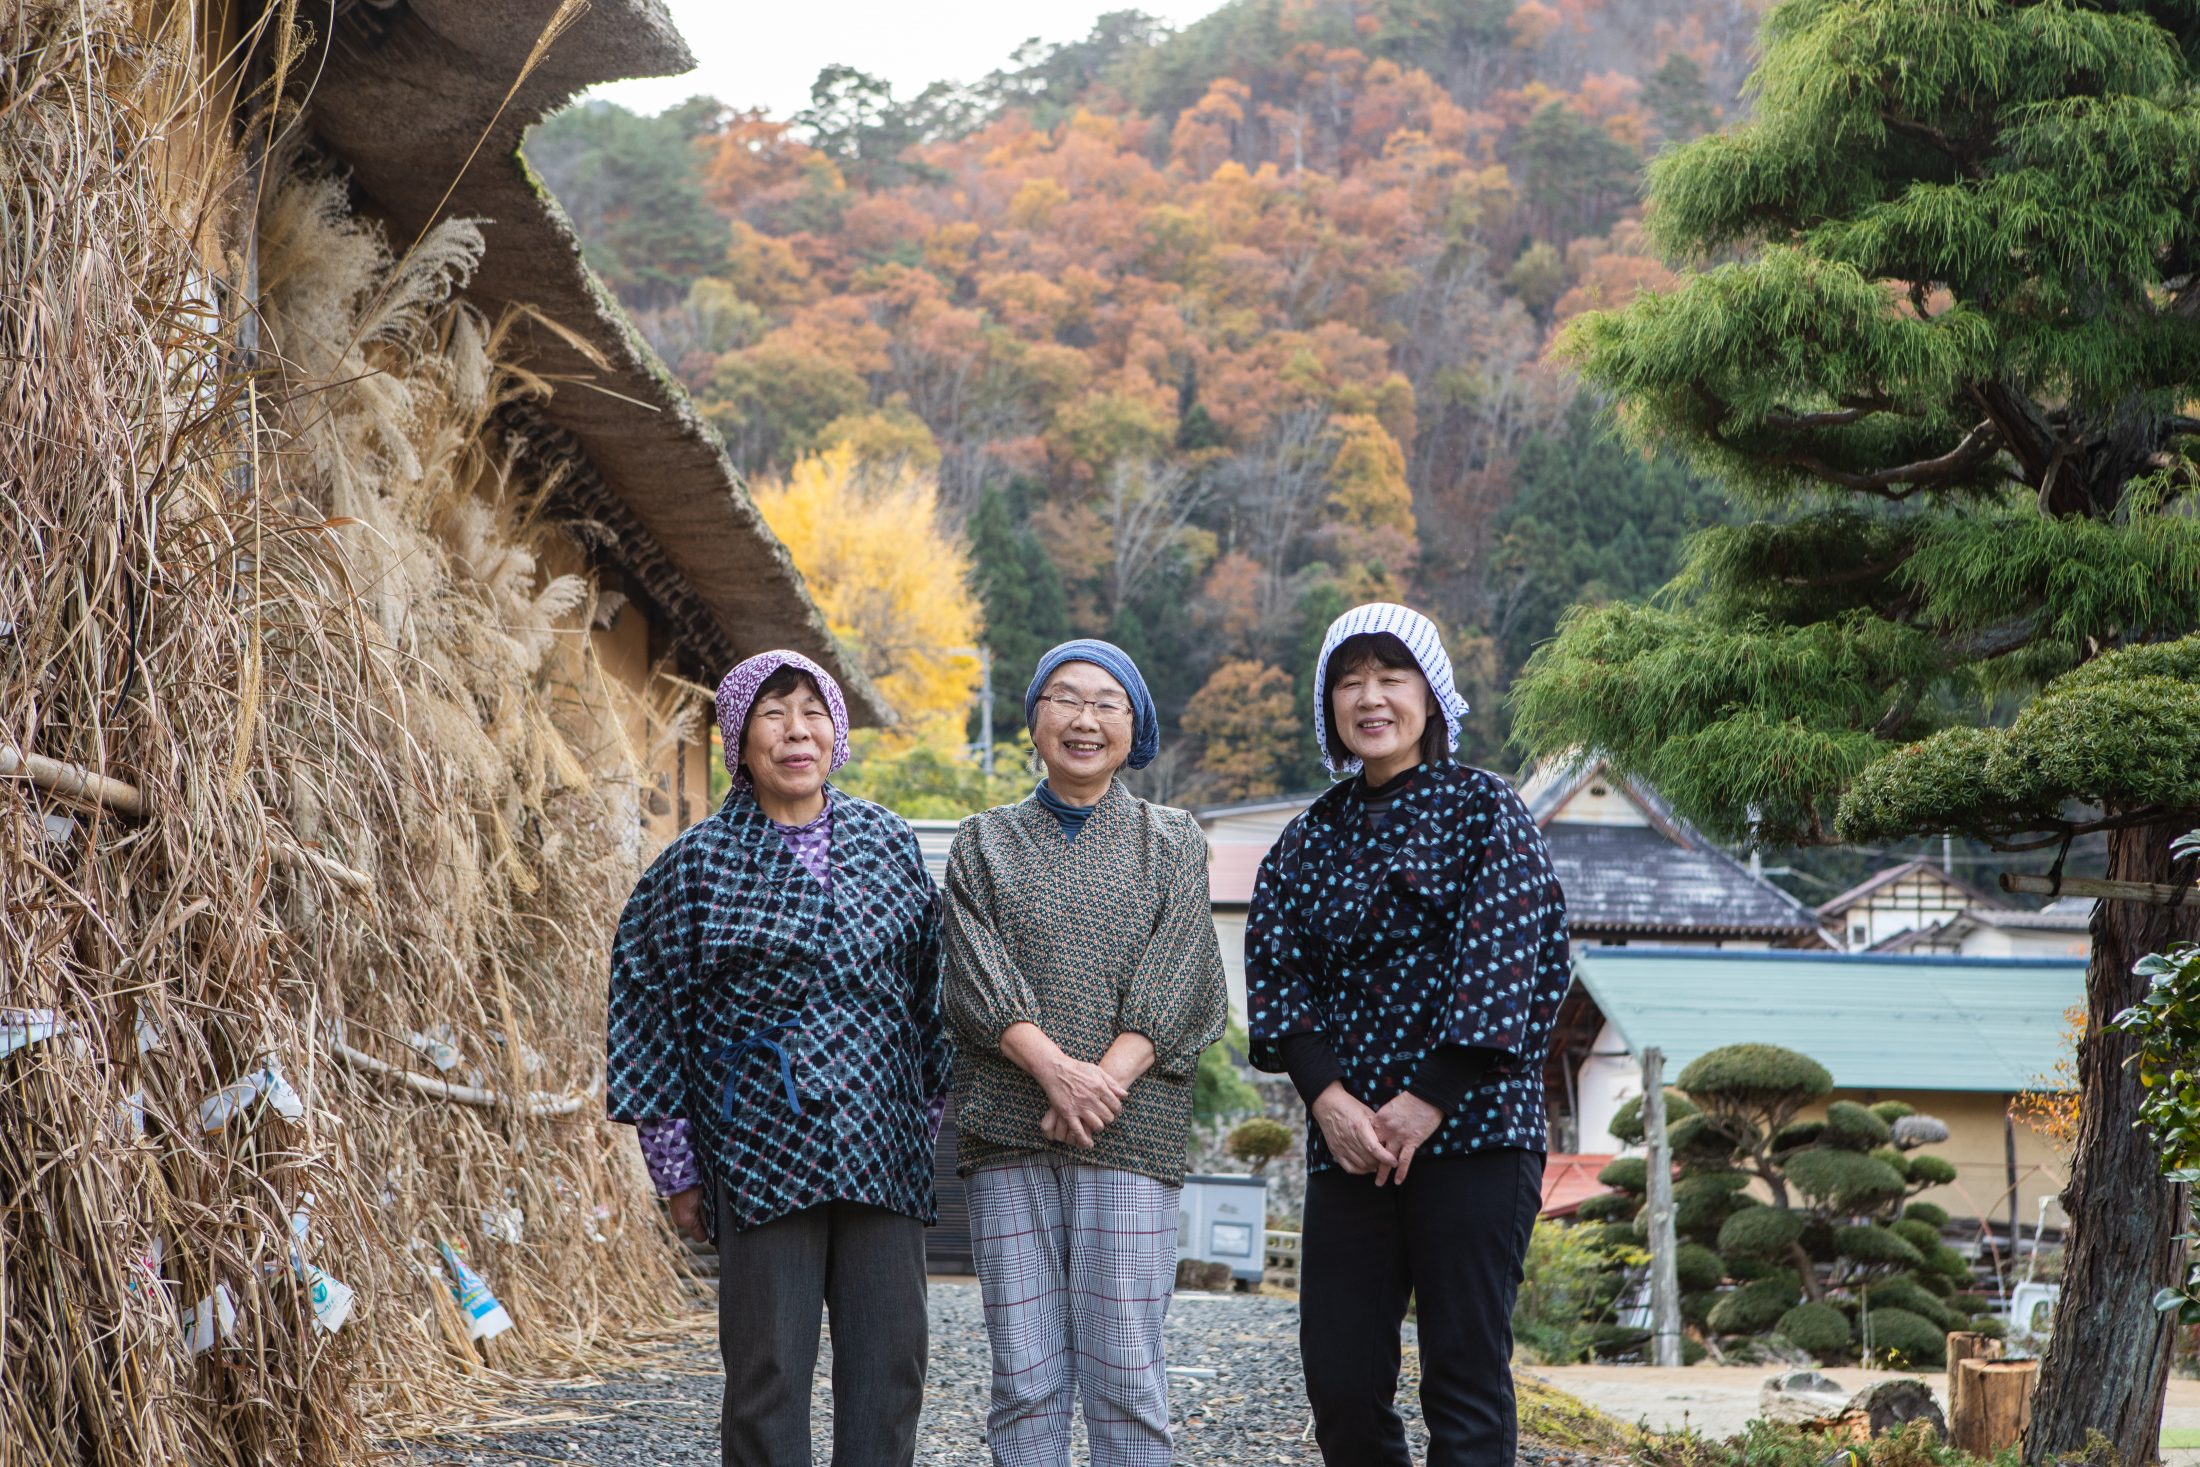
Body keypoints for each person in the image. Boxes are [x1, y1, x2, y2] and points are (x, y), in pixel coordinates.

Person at [1244, 603, 1571, 1467]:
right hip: (1349, 1142)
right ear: (1329, 706)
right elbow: (1277, 976)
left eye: (1392, 675)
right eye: (1349, 680)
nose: (1370, 697)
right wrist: (1332, 1101)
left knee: (1464, 1379)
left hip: (1473, 1134)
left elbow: (1512, 961)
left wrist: (1425, 1101)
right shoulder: (1307, 838)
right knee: (1342, 1380)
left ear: (1433, 694)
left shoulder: (1484, 810)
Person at [606, 649, 951, 1467]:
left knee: (891, 1362)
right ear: (737, 738)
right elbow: (648, 1010)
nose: (797, 731)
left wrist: (924, 1116)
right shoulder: (694, 864)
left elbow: (930, 991)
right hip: (758, 1143)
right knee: (767, 1370)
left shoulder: (888, 840)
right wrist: (677, 1168)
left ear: (836, 730)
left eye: (812, 711)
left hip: (882, 1141)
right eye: (773, 713)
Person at [941, 638, 1229, 1467]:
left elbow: (1183, 974)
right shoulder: (982, 840)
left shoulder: (1172, 838)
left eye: (1107, 702)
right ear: (1033, 717)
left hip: (1130, 1133)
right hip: (1010, 1130)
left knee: (1127, 1379)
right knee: (1024, 1379)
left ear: (1132, 727)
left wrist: (1099, 1082)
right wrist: (1054, 1072)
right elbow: (970, 974)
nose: (1084, 717)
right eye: (1064, 697)